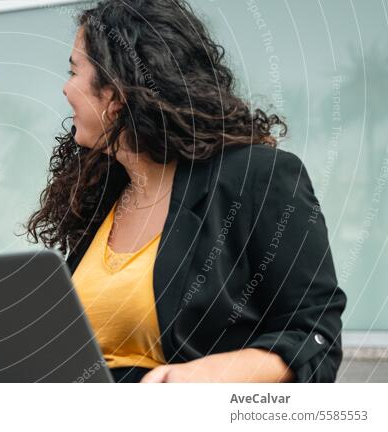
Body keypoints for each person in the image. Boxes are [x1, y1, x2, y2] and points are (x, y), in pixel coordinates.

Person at [26, 0, 346, 383]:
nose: (65, 88)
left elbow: (315, 335)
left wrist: (204, 377)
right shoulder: (101, 197)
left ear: (115, 93)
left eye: (73, 71)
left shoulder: (256, 177)